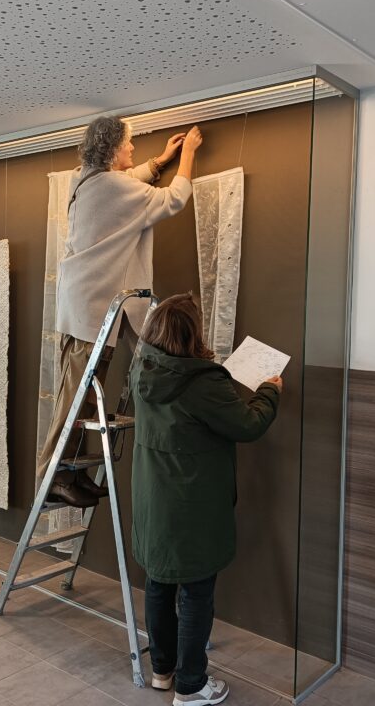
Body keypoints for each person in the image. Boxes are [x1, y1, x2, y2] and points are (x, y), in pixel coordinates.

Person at [40, 117, 204, 507]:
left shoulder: (88, 180)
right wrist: (188, 156)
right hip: (91, 307)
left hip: (89, 302)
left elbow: (131, 185)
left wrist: (160, 159)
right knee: (74, 398)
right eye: (129, 144)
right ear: (114, 150)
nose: (133, 149)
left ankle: (70, 474)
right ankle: (51, 482)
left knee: (83, 396)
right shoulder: (114, 187)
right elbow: (173, 199)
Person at [129, 293, 282, 706]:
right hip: (192, 507)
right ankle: (192, 686)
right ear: (192, 335)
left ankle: (163, 671)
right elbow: (248, 425)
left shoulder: (140, 371)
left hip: (152, 501)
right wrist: (270, 390)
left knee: (159, 584)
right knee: (195, 592)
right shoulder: (202, 383)